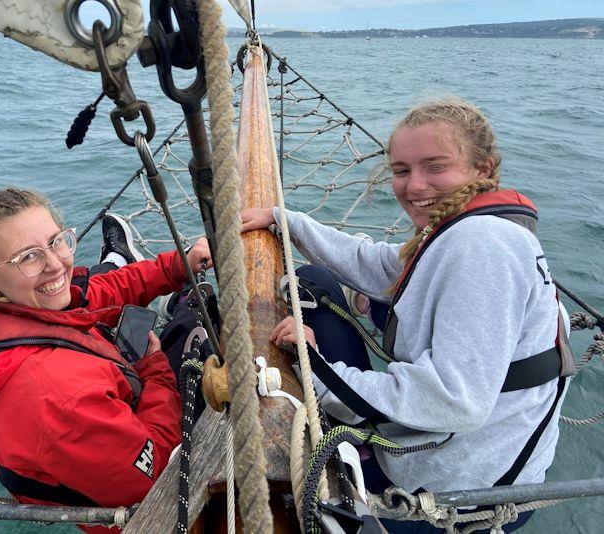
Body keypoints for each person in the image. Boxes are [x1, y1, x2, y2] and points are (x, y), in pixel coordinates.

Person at [241, 98, 570, 533]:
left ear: (483, 168)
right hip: (445, 442)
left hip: (455, 492)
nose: (415, 186)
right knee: (316, 280)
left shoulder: (483, 246)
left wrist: (312, 365)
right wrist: (288, 222)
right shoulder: (463, 227)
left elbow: (452, 399)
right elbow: (380, 265)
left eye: (435, 167)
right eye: (401, 170)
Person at [0, 188, 212, 533]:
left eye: (57, 241)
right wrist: (155, 369)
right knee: (197, 326)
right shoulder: (60, 400)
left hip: (96, 403)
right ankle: (178, 306)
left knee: (84, 283)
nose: (56, 263)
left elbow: (92, 297)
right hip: (143, 508)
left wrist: (177, 265)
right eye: (28, 257)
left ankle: (118, 261)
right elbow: (155, 474)